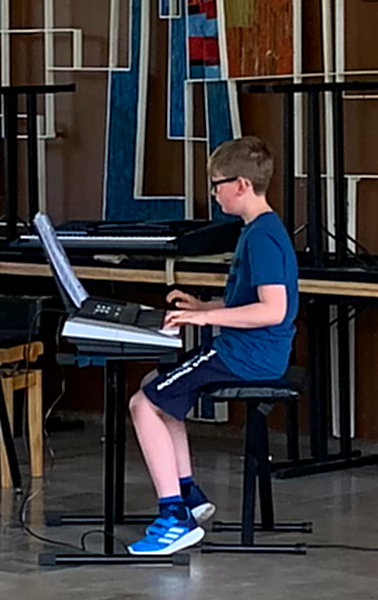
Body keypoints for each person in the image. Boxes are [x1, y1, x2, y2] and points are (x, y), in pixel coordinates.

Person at [127, 135, 298, 555]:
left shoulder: (261, 237)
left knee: (142, 403)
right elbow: (249, 302)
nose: (214, 194)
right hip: (248, 351)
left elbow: (272, 310)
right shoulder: (260, 230)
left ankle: (173, 518)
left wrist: (204, 318)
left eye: (217, 185)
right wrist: (204, 304)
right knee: (159, 383)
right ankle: (188, 494)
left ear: (240, 185)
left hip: (249, 357)